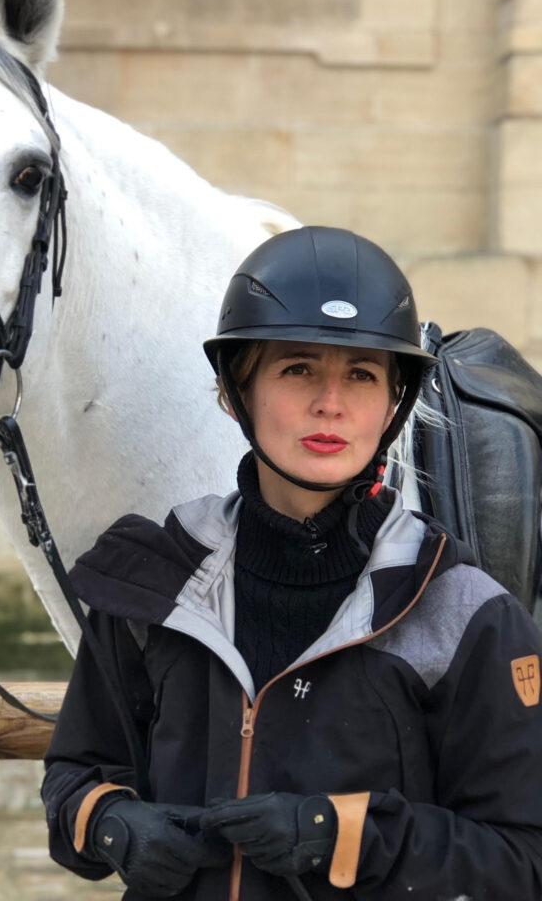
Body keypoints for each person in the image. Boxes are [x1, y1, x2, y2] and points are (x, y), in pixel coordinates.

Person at [41, 226, 542, 900]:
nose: (330, 403)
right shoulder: (153, 585)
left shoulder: (463, 615)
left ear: (393, 405)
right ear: (233, 392)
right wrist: (113, 824)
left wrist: (342, 837)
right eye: (298, 368)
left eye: (361, 375)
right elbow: (75, 775)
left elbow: (522, 858)